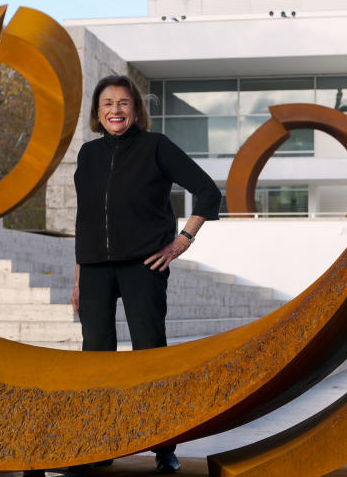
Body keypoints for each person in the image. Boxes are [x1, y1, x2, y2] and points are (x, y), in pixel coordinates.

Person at [72, 74, 221, 474]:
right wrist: (78, 277)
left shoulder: (157, 147)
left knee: (150, 354)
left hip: (144, 266)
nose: (115, 110)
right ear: (97, 112)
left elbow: (208, 191)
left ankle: (163, 445)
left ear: (136, 110)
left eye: (123, 103)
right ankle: (97, 446)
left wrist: (182, 240)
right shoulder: (87, 156)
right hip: (95, 270)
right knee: (95, 360)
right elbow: (85, 218)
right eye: (107, 104)